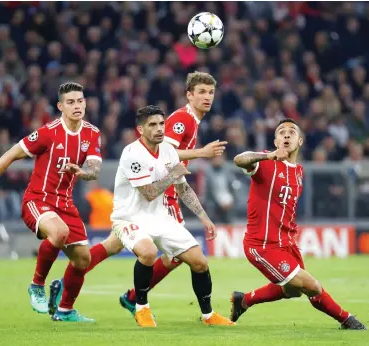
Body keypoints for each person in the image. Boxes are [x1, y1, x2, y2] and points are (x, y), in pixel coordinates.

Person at [48, 72, 227, 316]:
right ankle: (134, 298)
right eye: (202, 92)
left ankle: (65, 283)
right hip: (162, 194)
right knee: (179, 254)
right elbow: (166, 152)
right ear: (189, 95)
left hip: (160, 190)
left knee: (112, 244)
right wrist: (201, 153)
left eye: (211, 92)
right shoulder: (181, 120)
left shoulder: (193, 121)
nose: (207, 97)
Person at [0, 82, 107, 323]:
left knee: (83, 259)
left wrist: (82, 172)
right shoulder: (48, 132)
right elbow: (11, 154)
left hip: (65, 204)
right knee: (59, 231)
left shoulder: (92, 133)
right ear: (60, 106)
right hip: (38, 200)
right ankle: (37, 285)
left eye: (80, 101)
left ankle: (65, 311)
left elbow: (94, 170)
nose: (77, 106)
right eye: (71, 102)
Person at [229, 118, 366, 330]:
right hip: (262, 245)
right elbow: (239, 159)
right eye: (281, 132)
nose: (286, 134)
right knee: (311, 286)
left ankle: (244, 300)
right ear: (275, 141)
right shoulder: (266, 164)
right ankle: (347, 320)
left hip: (286, 243)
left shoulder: (299, 172)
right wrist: (268, 155)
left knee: (291, 290)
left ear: (300, 141)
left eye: (291, 132)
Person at [111, 105, 233, 327]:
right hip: (129, 217)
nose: (159, 129)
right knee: (148, 253)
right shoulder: (132, 153)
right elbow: (148, 193)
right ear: (140, 129)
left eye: (161, 124)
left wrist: (204, 218)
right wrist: (173, 175)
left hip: (160, 217)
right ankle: (141, 308)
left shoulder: (167, 150)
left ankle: (208, 315)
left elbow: (182, 188)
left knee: (199, 262)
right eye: (152, 125)